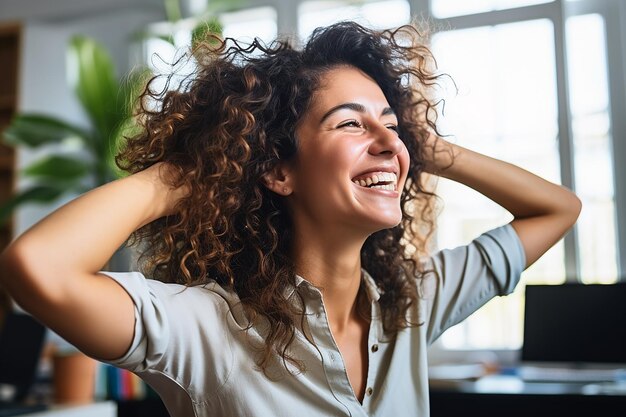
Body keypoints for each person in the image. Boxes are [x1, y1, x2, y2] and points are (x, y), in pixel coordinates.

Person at [0, 21, 580, 417]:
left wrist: (423, 147)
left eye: (391, 124)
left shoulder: (414, 302)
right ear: (278, 171)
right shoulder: (206, 328)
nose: (386, 142)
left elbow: (558, 209)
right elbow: (37, 267)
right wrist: (199, 170)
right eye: (351, 123)